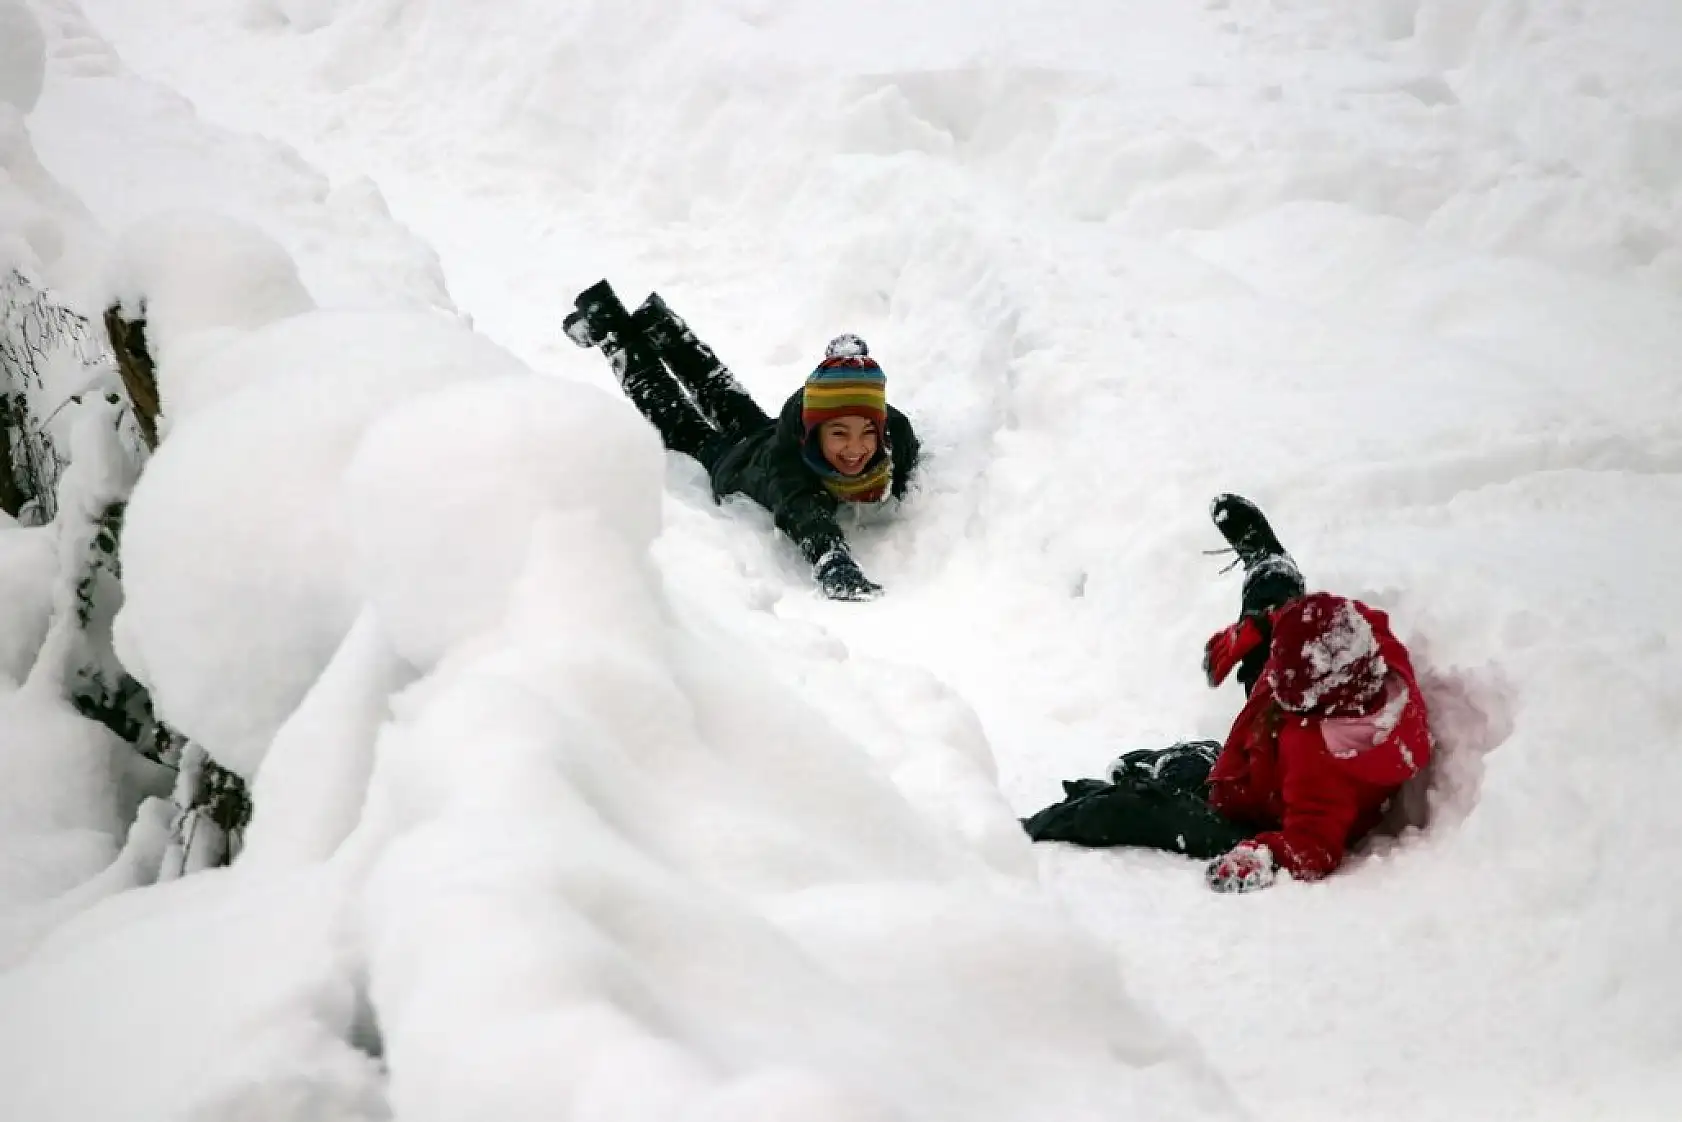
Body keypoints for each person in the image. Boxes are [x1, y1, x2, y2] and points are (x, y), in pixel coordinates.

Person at [1021, 494, 1433, 893]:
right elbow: (1322, 615)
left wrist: (1263, 855)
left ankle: (1024, 830)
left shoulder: (1323, 764)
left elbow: (1312, 848)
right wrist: (1262, 626)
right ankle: (1270, 564)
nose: (1271, 680)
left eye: (1283, 686)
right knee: (1285, 610)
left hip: (1247, 815)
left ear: (1310, 702)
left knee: (1136, 811)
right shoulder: (1374, 649)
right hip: (1265, 753)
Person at [564, 280, 920, 601]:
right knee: (675, 415)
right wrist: (832, 560)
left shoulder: (885, 430)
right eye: (839, 434)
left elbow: (896, 430)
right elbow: (803, 511)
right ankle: (608, 326)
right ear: (813, 431)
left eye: (867, 433)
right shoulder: (791, 469)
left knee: (716, 386)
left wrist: (849, 369)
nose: (855, 448)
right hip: (732, 465)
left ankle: (658, 325)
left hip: (765, 432)